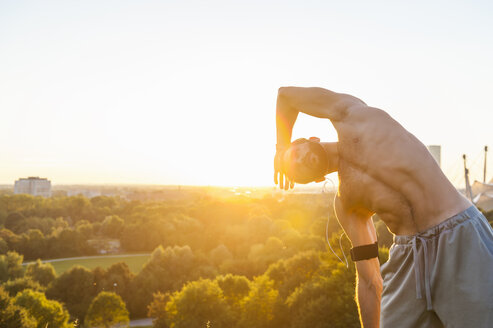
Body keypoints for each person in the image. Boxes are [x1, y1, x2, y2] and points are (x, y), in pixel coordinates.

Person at [274, 86, 493, 328]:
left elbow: (285, 95)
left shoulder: (350, 114)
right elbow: (369, 280)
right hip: (407, 259)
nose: (298, 162)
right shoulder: (346, 203)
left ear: (311, 139)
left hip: (458, 234)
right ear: (314, 180)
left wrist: (280, 149)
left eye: (295, 154)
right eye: (296, 170)